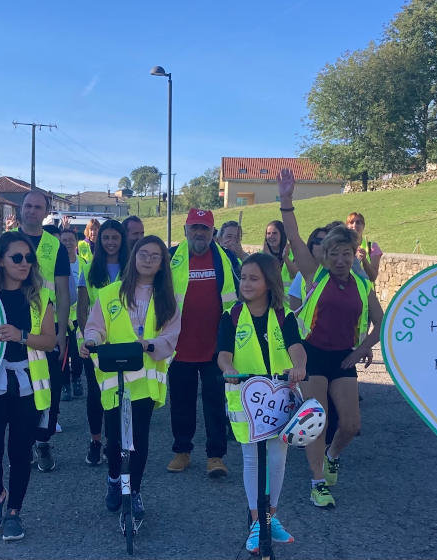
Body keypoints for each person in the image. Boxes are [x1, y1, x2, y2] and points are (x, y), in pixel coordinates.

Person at [278, 169, 384, 508]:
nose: (340, 260)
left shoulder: (363, 284)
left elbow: (380, 323)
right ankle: (317, 482)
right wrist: (286, 199)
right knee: (317, 420)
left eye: (346, 254)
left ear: (354, 256)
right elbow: (293, 237)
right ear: (325, 254)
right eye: (334, 253)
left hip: (342, 357)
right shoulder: (314, 274)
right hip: (312, 356)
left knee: (351, 425)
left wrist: (360, 351)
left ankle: (333, 455)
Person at [80, 235, 181, 522]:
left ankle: (133, 490)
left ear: (162, 264)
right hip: (115, 379)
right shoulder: (110, 294)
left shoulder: (167, 299)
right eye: (143, 254)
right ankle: (114, 480)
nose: (148, 260)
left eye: (155, 256)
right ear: (134, 257)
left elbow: (171, 337)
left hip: (146, 382)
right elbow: (96, 327)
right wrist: (89, 341)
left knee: (138, 440)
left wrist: (149, 345)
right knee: (114, 439)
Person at [217, 253, 307, 554]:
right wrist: (228, 370)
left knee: (278, 460)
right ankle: (258, 522)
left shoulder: (283, 316)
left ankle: (271, 518)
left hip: (280, 395)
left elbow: (297, 348)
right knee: (252, 459)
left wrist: (299, 367)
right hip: (245, 396)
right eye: (243, 277)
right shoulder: (231, 315)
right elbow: (224, 353)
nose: (246, 283)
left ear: (269, 282)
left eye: (254, 278)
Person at [0, 231, 57, 541]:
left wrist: (20, 335)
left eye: (29, 258)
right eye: (17, 258)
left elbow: (50, 342)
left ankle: (15, 513)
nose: (25, 263)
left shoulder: (40, 296)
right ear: (0, 260)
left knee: (20, 453)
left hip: (27, 385)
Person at [166, 208, 241, 477]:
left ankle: (216, 456)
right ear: (185, 230)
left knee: (215, 405)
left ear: (213, 233)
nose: (199, 233)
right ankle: (182, 451)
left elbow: (241, 297)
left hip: (216, 349)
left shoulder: (227, 258)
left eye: (205, 228)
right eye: (194, 227)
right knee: (181, 403)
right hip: (179, 347)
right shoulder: (171, 257)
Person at [8, 192, 71, 472]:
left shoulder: (54, 246)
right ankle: (22, 442)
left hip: (44, 327)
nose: (32, 211)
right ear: (21, 209)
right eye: (28, 206)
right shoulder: (6, 241)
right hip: (11, 326)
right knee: (13, 389)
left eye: (38, 207)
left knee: (49, 387)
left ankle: (43, 440)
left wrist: (62, 331)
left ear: (46, 212)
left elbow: (62, 291)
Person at [76, 219, 129, 466]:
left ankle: (114, 443)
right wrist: (87, 338)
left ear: (122, 240)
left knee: (119, 393)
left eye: (114, 238)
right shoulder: (88, 269)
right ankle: (96, 440)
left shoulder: (131, 269)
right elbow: (83, 308)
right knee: (96, 395)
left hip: (122, 342)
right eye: (105, 238)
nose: (109, 242)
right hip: (95, 343)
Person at [54, 224, 83, 402]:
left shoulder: (84, 263)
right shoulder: (56, 263)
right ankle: (65, 384)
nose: (67, 243)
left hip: (79, 316)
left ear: (76, 243)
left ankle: (77, 378)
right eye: (63, 241)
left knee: (77, 352)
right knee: (62, 353)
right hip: (61, 317)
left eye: (70, 240)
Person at [263, 220, 297, 298]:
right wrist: (268, 257)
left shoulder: (293, 253)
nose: (271, 236)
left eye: (274, 233)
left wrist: (285, 258)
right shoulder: (261, 255)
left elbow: (295, 274)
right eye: (268, 233)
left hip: (290, 303)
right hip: (270, 301)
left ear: (282, 235)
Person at [345, 212, 382, 282]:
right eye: (351, 222)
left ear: (363, 226)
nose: (354, 225)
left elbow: (373, 277)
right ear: (347, 226)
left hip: (367, 292)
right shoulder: (341, 247)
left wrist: (364, 260)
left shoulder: (372, 247)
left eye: (358, 222)